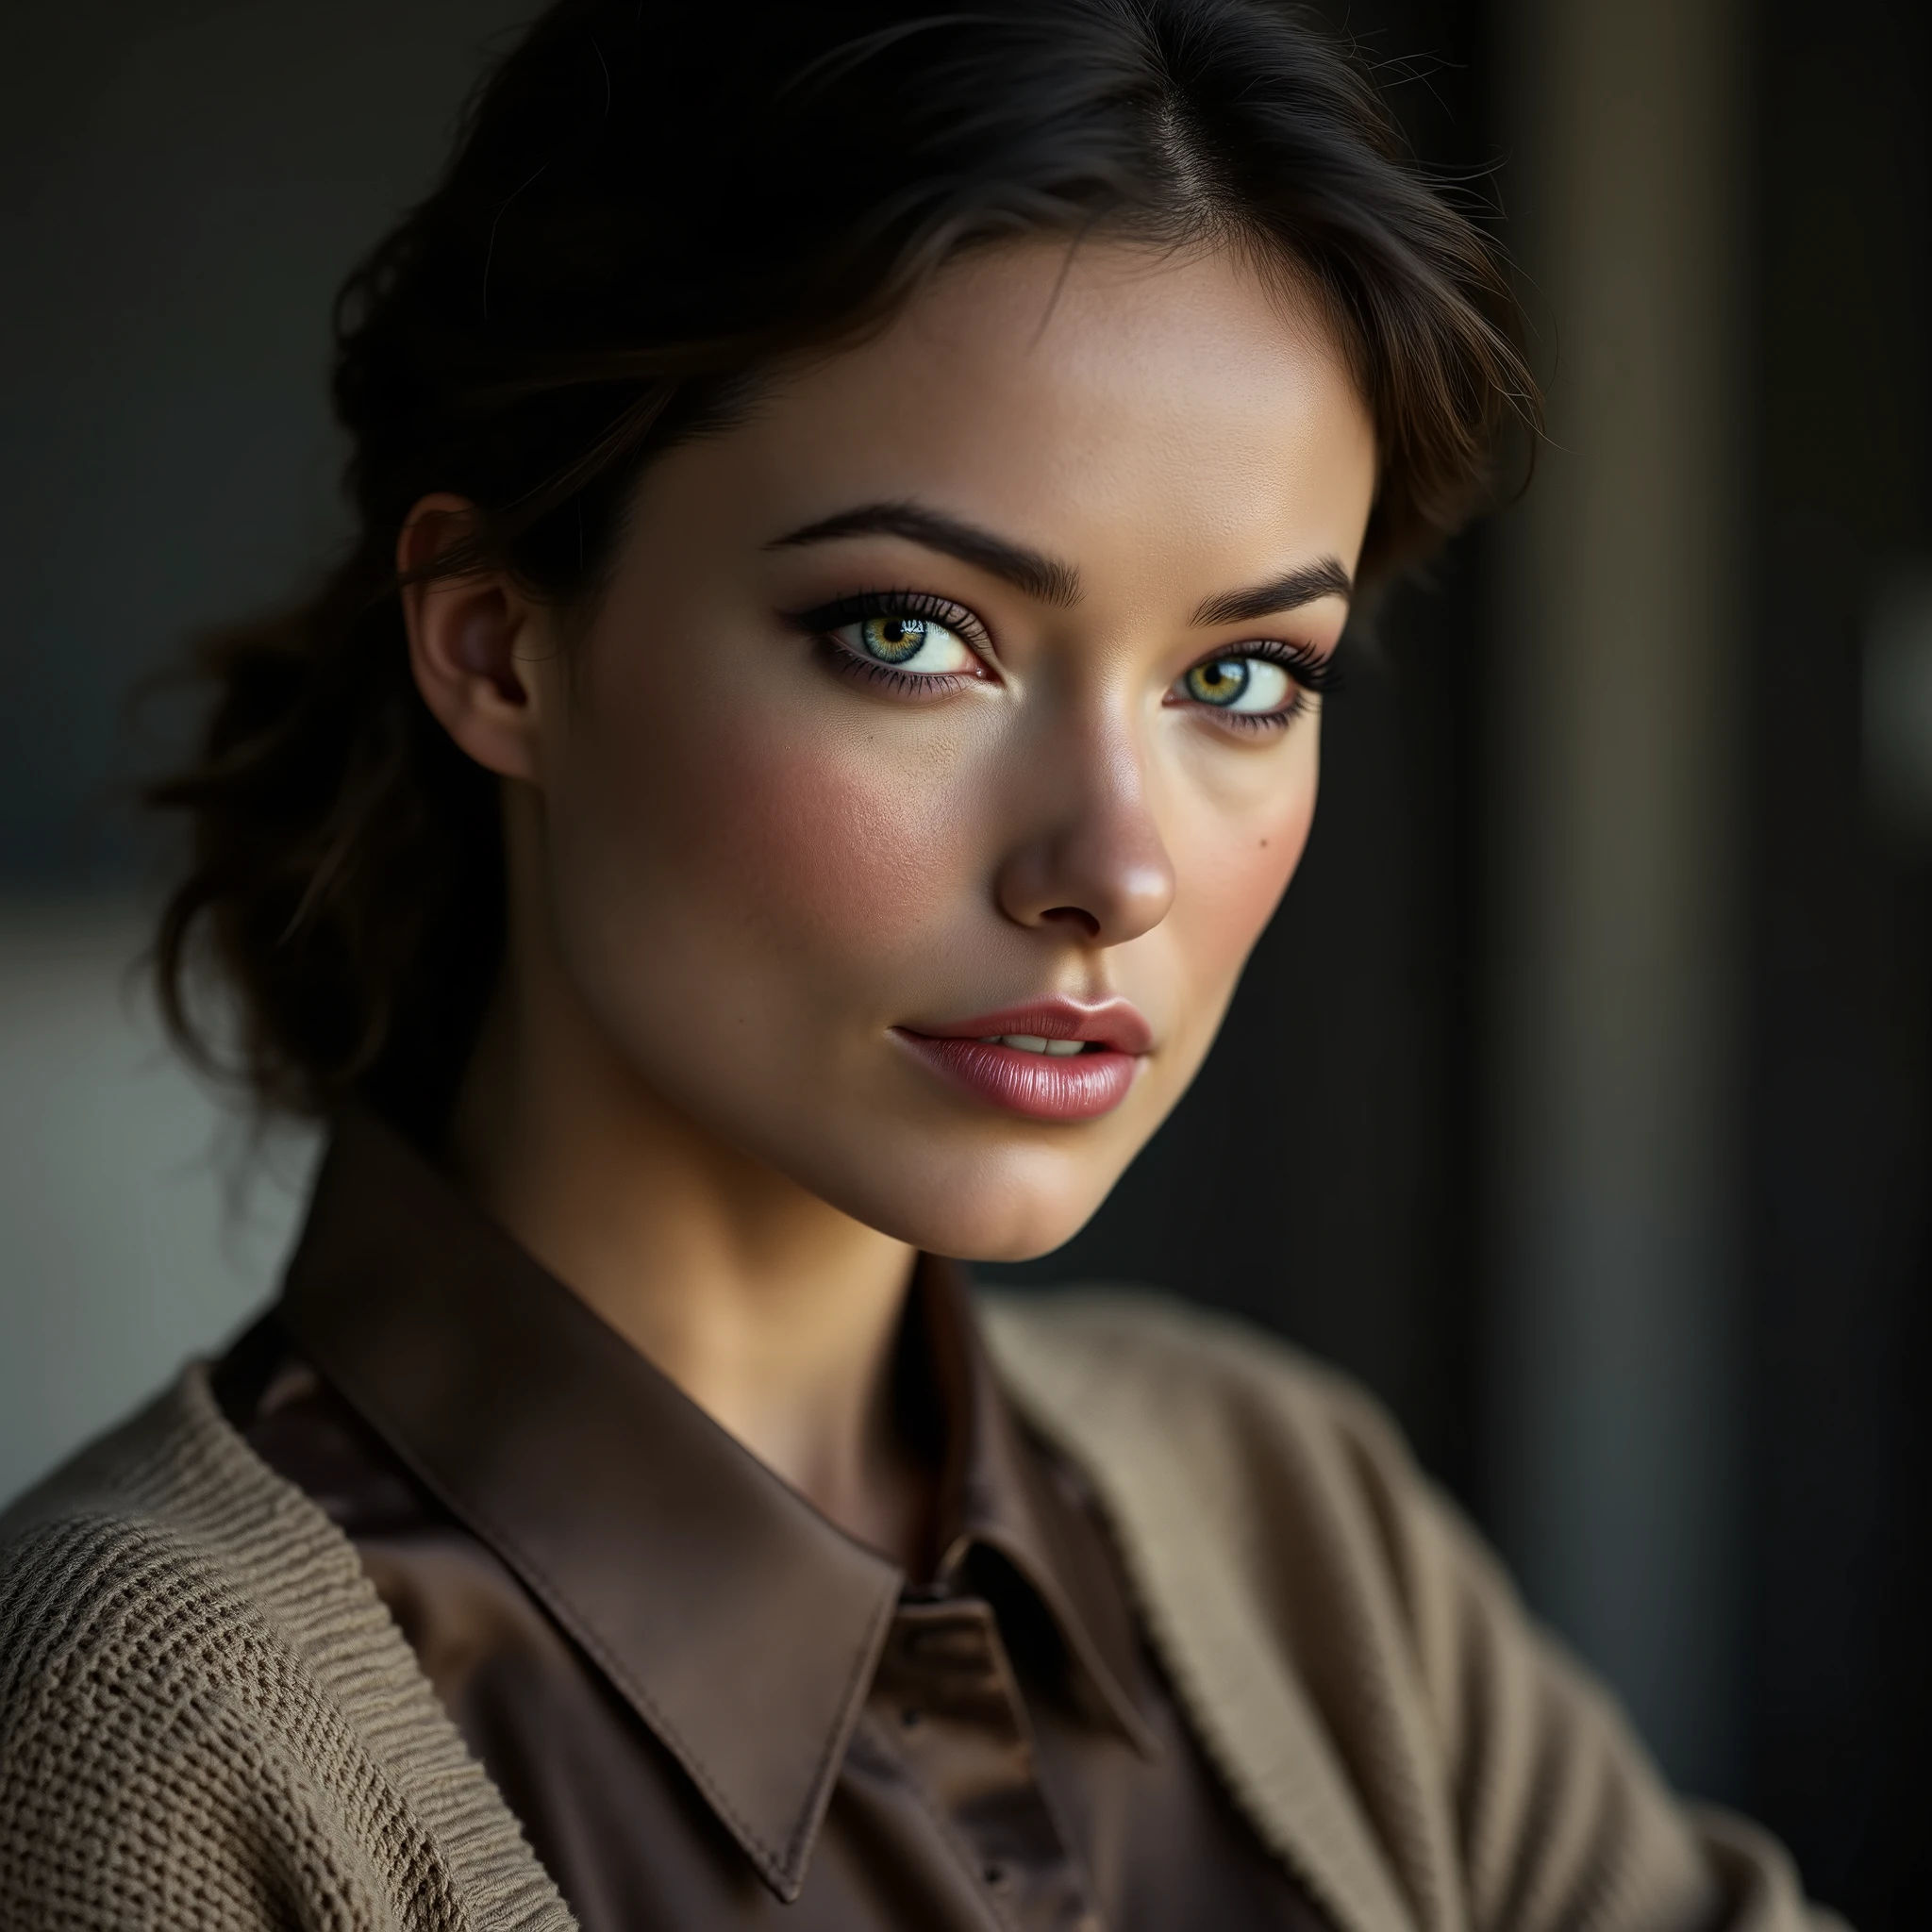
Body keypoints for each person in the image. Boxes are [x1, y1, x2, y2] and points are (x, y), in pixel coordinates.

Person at [0, 2, 1837, 1927]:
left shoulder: (1288, 1520)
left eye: (1237, 677)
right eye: (910, 634)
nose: (1111, 867)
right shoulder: (147, 1736)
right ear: (495, 643)